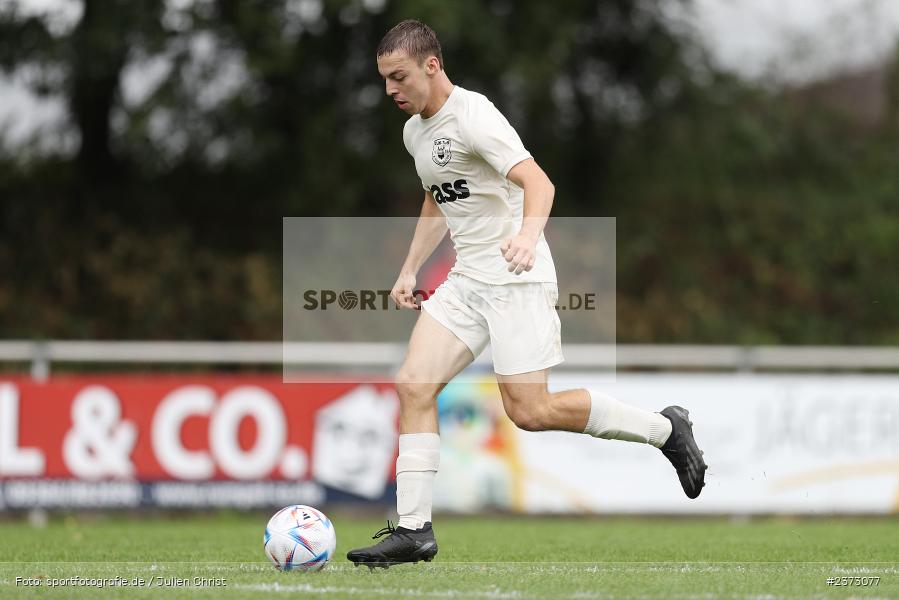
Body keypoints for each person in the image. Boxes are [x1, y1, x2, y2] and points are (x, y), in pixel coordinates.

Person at [347, 19, 707, 569]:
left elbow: (539, 182)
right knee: (413, 385)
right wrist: (410, 267)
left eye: (399, 77)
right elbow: (438, 197)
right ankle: (414, 530)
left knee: (530, 411)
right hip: (467, 280)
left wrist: (527, 237)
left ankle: (665, 429)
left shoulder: (475, 115)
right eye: (384, 79)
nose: (390, 89)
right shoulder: (414, 132)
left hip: (517, 276)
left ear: (431, 66)